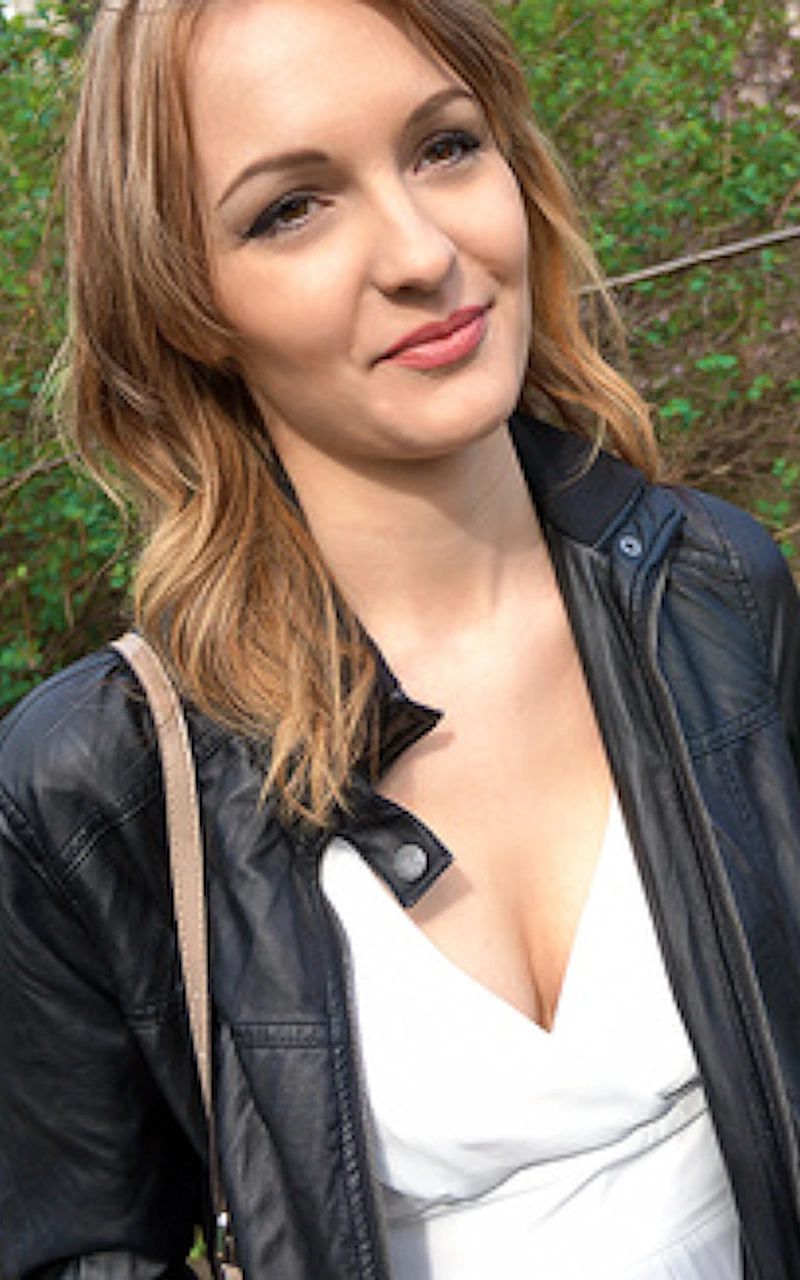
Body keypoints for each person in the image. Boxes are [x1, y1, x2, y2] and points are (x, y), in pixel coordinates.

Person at [1, 0, 799, 1276]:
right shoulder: (97, 789)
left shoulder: (715, 593)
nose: (422, 252)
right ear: (186, 300)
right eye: (290, 209)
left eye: (443, 146)